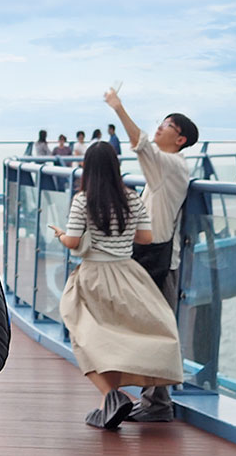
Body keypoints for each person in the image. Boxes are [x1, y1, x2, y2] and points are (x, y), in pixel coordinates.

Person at [48, 142, 183, 428]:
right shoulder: (132, 199)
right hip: (128, 274)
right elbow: (146, 238)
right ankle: (107, 406)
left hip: (93, 275)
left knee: (84, 336)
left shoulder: (83, 200)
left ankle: (111, 395)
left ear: (87, 168)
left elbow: (73, 241)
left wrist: (61, 235)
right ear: (116, 166)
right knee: (121, 336)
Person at [104, 87, 199, 422]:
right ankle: (152, 399)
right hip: (151, 258)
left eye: (168, 125)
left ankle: (158, 403)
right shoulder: (165, 168)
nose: (160, 127)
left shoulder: (171, 165)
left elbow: (140, 143)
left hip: (159, 262)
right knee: (150, 328)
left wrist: (118, 107)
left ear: (181, 139)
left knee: (157, 330)